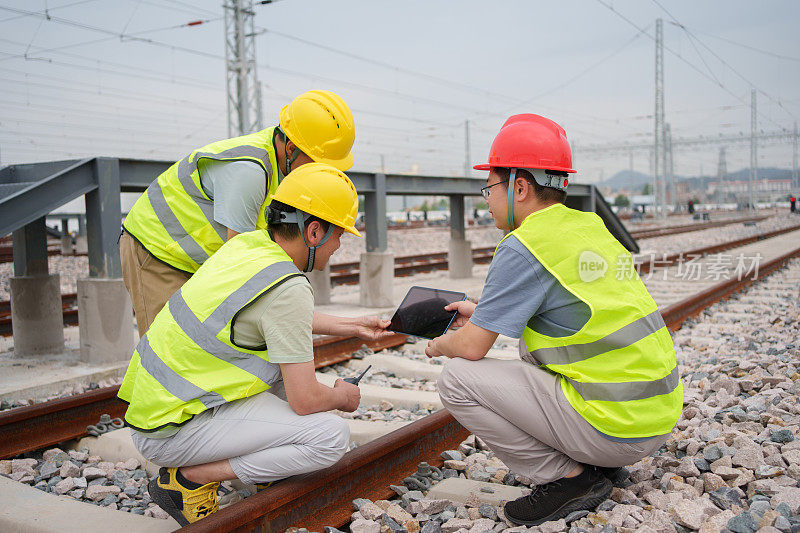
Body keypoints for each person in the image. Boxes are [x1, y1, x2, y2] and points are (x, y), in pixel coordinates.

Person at [426, 114, 682, 526]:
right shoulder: (588, 225)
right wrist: (485, 313)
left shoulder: (523, 243)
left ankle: (568, 479)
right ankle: (594, 462)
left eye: (489, 187)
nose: (486, 200)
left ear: (520, 188)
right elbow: (574, 310)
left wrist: (439, 345)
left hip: (614, 429)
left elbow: (472, 347)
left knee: (455, 378)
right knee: (528, 358)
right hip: (655, 417)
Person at [118, 163, 392, 526]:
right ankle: (188, 480)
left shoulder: (249, 245)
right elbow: (305, 398)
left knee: (283, 374)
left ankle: (260, 467)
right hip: (172, 433)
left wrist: (351, 325)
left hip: (157, 413)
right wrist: (343, 396)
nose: (339, 246)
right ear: (314, 232)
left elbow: (277, 317)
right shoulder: (290, 287)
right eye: (339, 235)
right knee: (330, 436)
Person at [120, 90, 355, 333]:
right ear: (291, 148)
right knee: (168, 342)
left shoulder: (284, 167)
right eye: (318, 163)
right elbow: (240, 263)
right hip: (157, 252)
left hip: (195, 257)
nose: (323, 174)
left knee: (209, 339)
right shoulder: (249, 171)